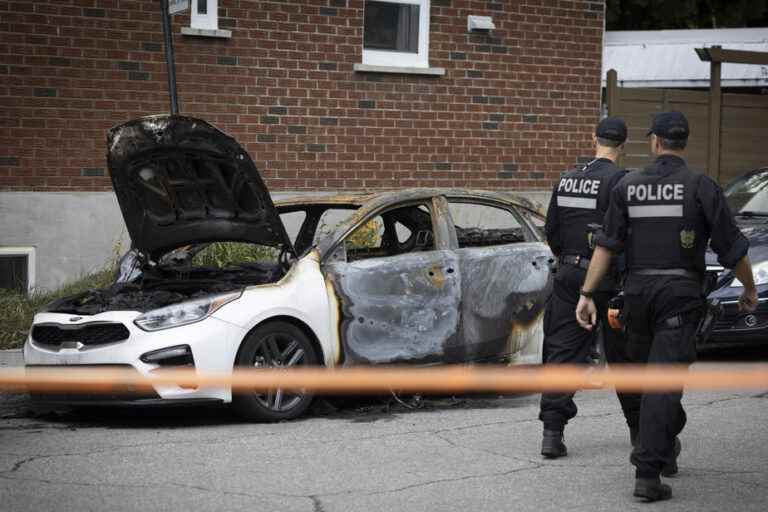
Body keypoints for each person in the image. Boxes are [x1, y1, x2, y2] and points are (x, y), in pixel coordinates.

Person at [575, 111, 758, 502]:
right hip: (679, 297)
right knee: (662, 385)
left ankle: (661, 445)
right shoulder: (701, 187)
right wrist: (750, 289)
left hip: (637, 297)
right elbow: (734, 248)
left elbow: (606, 246)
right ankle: (648, 472)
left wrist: (587, 294)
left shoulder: (628, 186)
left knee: (650, 381)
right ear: (683, 143)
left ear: (655, 142)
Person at [539, 116, 640, 458]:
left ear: (592, 138)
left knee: (562, 354)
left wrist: (571, 260)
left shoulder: (567, 180)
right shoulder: (624, 182)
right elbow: (629, 236)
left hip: (569, 275)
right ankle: (642, 436)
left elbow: (551, 231)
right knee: (624, 359)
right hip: (611, 283)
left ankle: (552, 435)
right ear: (622, 146)